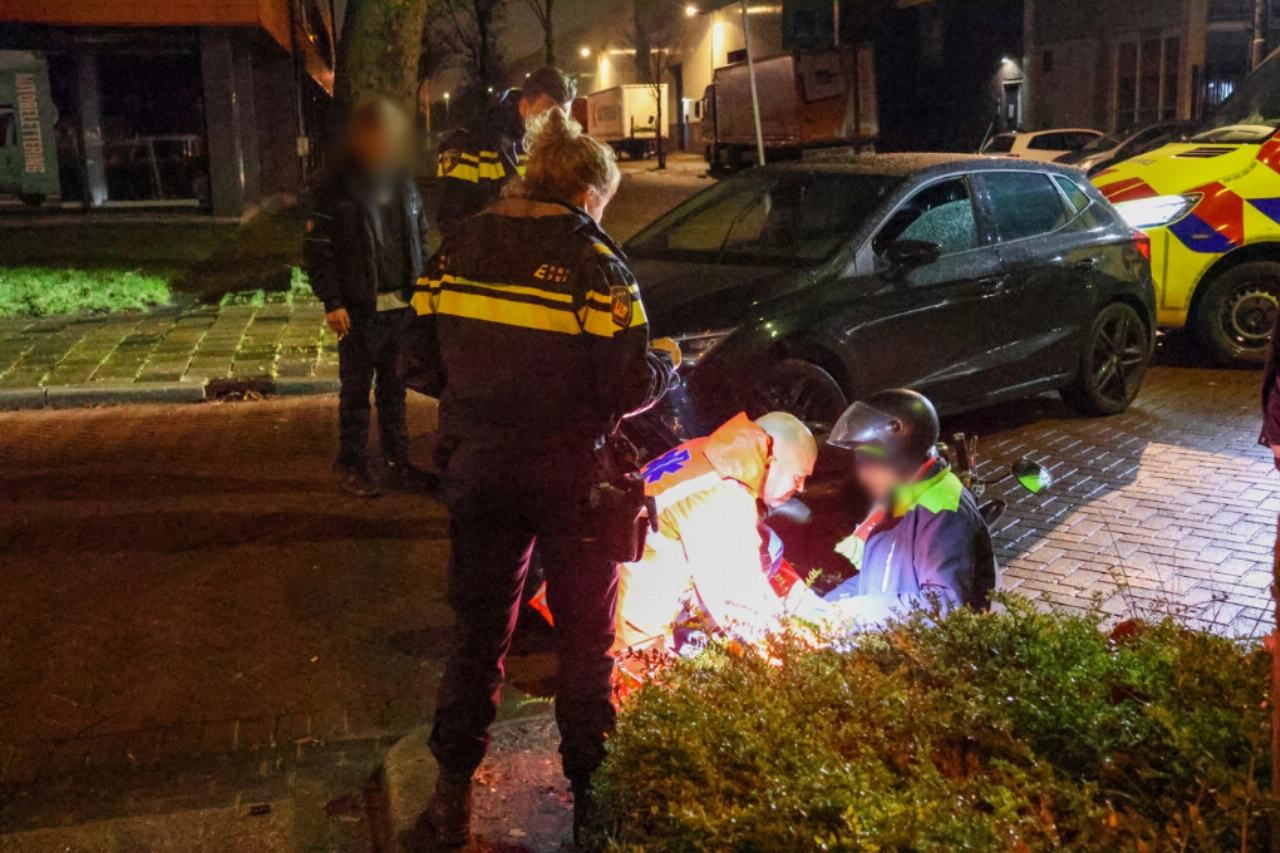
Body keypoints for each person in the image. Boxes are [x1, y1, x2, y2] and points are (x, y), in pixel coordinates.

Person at [410, 107, 678, 848]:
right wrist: (668, 362)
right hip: (574, 483)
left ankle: (450, 798)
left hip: (481, 474)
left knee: (477, 636)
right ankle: (594, 807)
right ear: (587, 192)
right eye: (604, 201)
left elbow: (415, 354)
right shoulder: (595, 265)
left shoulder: (456, 247)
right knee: (587, 646)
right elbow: (627, 384)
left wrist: (477, 402)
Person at [303, 97, 437, 497]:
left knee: (395, 392)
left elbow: (422, 237)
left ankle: (397, 461)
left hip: (402, 308)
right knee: (356, 392)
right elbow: (318, 250)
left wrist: (426, 290)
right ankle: (351, 464)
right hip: (359, 311)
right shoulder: (333, 188)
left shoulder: (404, 182)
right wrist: (333, 302)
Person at [613, 412, 829, 657]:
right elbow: (741, 610)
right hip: (629, 635)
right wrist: (798, 650)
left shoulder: (704, 453)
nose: (801, 488)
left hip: (609, 592)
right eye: (798, 476)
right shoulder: (719, 496)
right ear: (773, 462)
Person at [824, 389, 998, 626]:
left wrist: (857, 611)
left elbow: (943, 604)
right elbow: (879, 579)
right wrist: (826, 607)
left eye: (868, 461)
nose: (862, 474)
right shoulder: (903, 494)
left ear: (901, 454)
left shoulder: (941, 511)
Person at [435, 67, 576, 238]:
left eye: (563, 117)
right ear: (524, 106)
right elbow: (451, 221)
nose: (556, 124)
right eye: (548, 115)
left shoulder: (548, 143)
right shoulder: (469, 143)